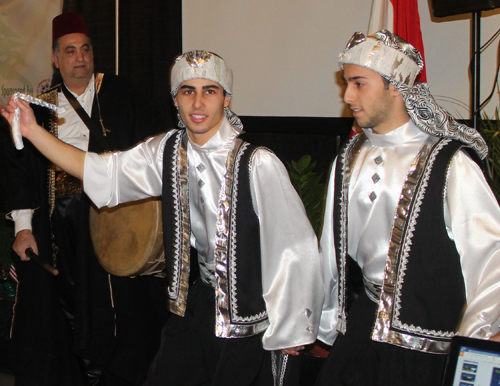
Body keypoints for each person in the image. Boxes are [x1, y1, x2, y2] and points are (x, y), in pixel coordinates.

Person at [2, 50, 323, 385]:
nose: (198, 103)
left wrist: (293, 327)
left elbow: (295, 246)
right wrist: (34, 131)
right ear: (175, 100)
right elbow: (102, 172)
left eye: (209, 91)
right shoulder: (167, 150)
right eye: (188, 91)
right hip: (197, 301)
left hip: (250, 310)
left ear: (226, 99)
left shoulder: (257, 163)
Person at [314, 30, 500, 386]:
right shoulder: (350, 157)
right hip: (364, 326)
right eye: (346, 83)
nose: (348, 95)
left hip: (427, 341)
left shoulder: (451, 164)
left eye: (358, 83)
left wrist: (473, 337)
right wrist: (321, 321)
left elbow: (491, 255)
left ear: (396, 86)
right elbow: (330, 250)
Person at [4, 12, 168, 386]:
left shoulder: (123, 94)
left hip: (113, 220)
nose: (80, 58)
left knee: (117, 308)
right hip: (58, 227)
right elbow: (20, 169)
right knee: (62, 309)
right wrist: (24, 228)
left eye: (86, 49)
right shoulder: (38, 108)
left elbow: (152, 155)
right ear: (55, 59)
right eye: (70, 51)